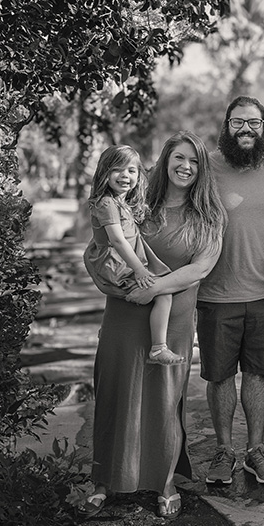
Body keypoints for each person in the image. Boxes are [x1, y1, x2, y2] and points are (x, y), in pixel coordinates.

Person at [81, 131, 226, 519]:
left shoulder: (209, 216)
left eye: (194, 161)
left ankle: (163, 481)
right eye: (178, 158)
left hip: (172, 316)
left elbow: (200, 268)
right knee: (116, 391)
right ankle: (104, 480)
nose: (186, 166)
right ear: (164, 161)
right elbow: (105, 242)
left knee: (163, 399)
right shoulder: (140, 201)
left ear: (202, 170)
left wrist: (154, 289)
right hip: (125, 312)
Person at [196, 96, 264, 486]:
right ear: (226, 126)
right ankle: (224, 450)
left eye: (254, 122)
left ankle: (256, 451)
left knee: (257, 374)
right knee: (219, 377)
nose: (246, 130)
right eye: (238, 123)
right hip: (215, 294)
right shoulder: (206, 166)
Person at [83, 145, 181, 366]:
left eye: (131, 170)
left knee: (159, 288)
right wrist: (139, 269)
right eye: (117, 169)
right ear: (104, 173)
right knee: (163, 292)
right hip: (118, 265)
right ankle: (158, 348)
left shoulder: (121, 202)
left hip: (123, 262)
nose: (125, 176)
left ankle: (113, 333)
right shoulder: (107, 203)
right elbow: (117, 240)